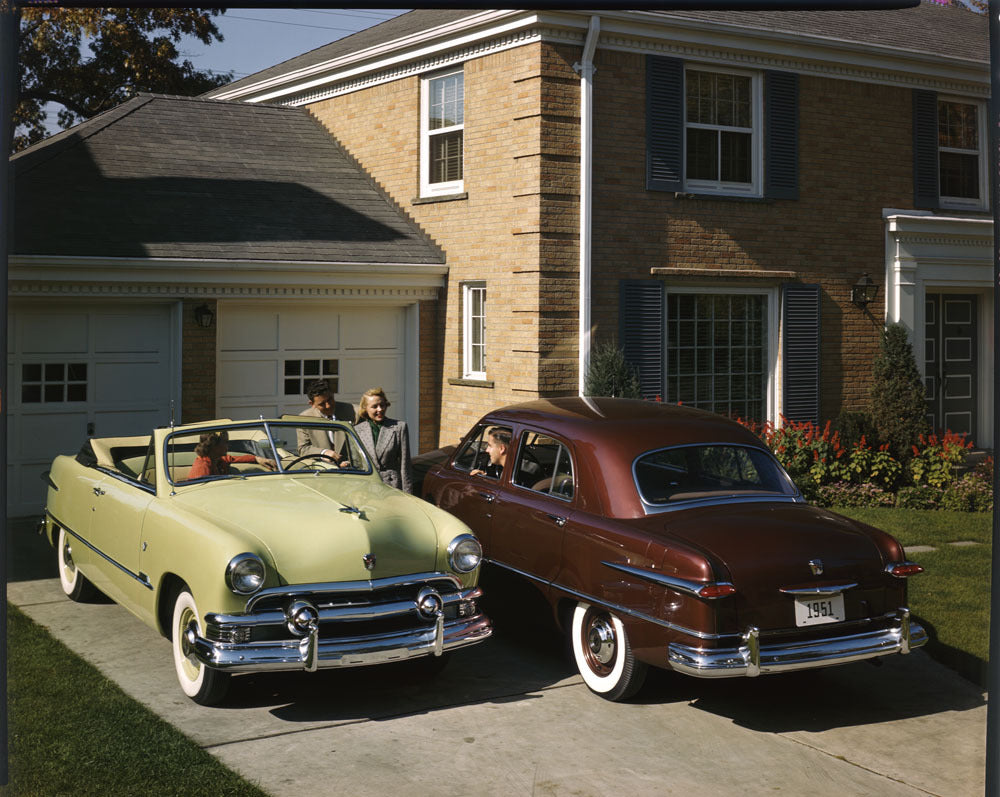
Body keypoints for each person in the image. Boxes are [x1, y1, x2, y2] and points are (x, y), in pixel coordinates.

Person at [354, 387, 413, 493]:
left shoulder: (399, 427)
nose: (380, 409)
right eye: (374, 406)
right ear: (365, 408)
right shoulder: (357, 430)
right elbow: (356, 463)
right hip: (366, 487)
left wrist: (407, 494)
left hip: (391, 487)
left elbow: (405, 465)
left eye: (382, 405)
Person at [296, 379, 354, 465]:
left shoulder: (353, 411)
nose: (328, 405)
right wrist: (323, 452)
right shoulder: (303, 419)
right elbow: (303, 449)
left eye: (330, 399)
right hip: (322, 470)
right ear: (312, 404)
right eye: (322, 404)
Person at [187, 430, 275, 480]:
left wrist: (256, 458)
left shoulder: (217, 459)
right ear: (214, 445)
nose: (228, 445)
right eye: (225, 442)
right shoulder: (202, 468)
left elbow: (231, 458)